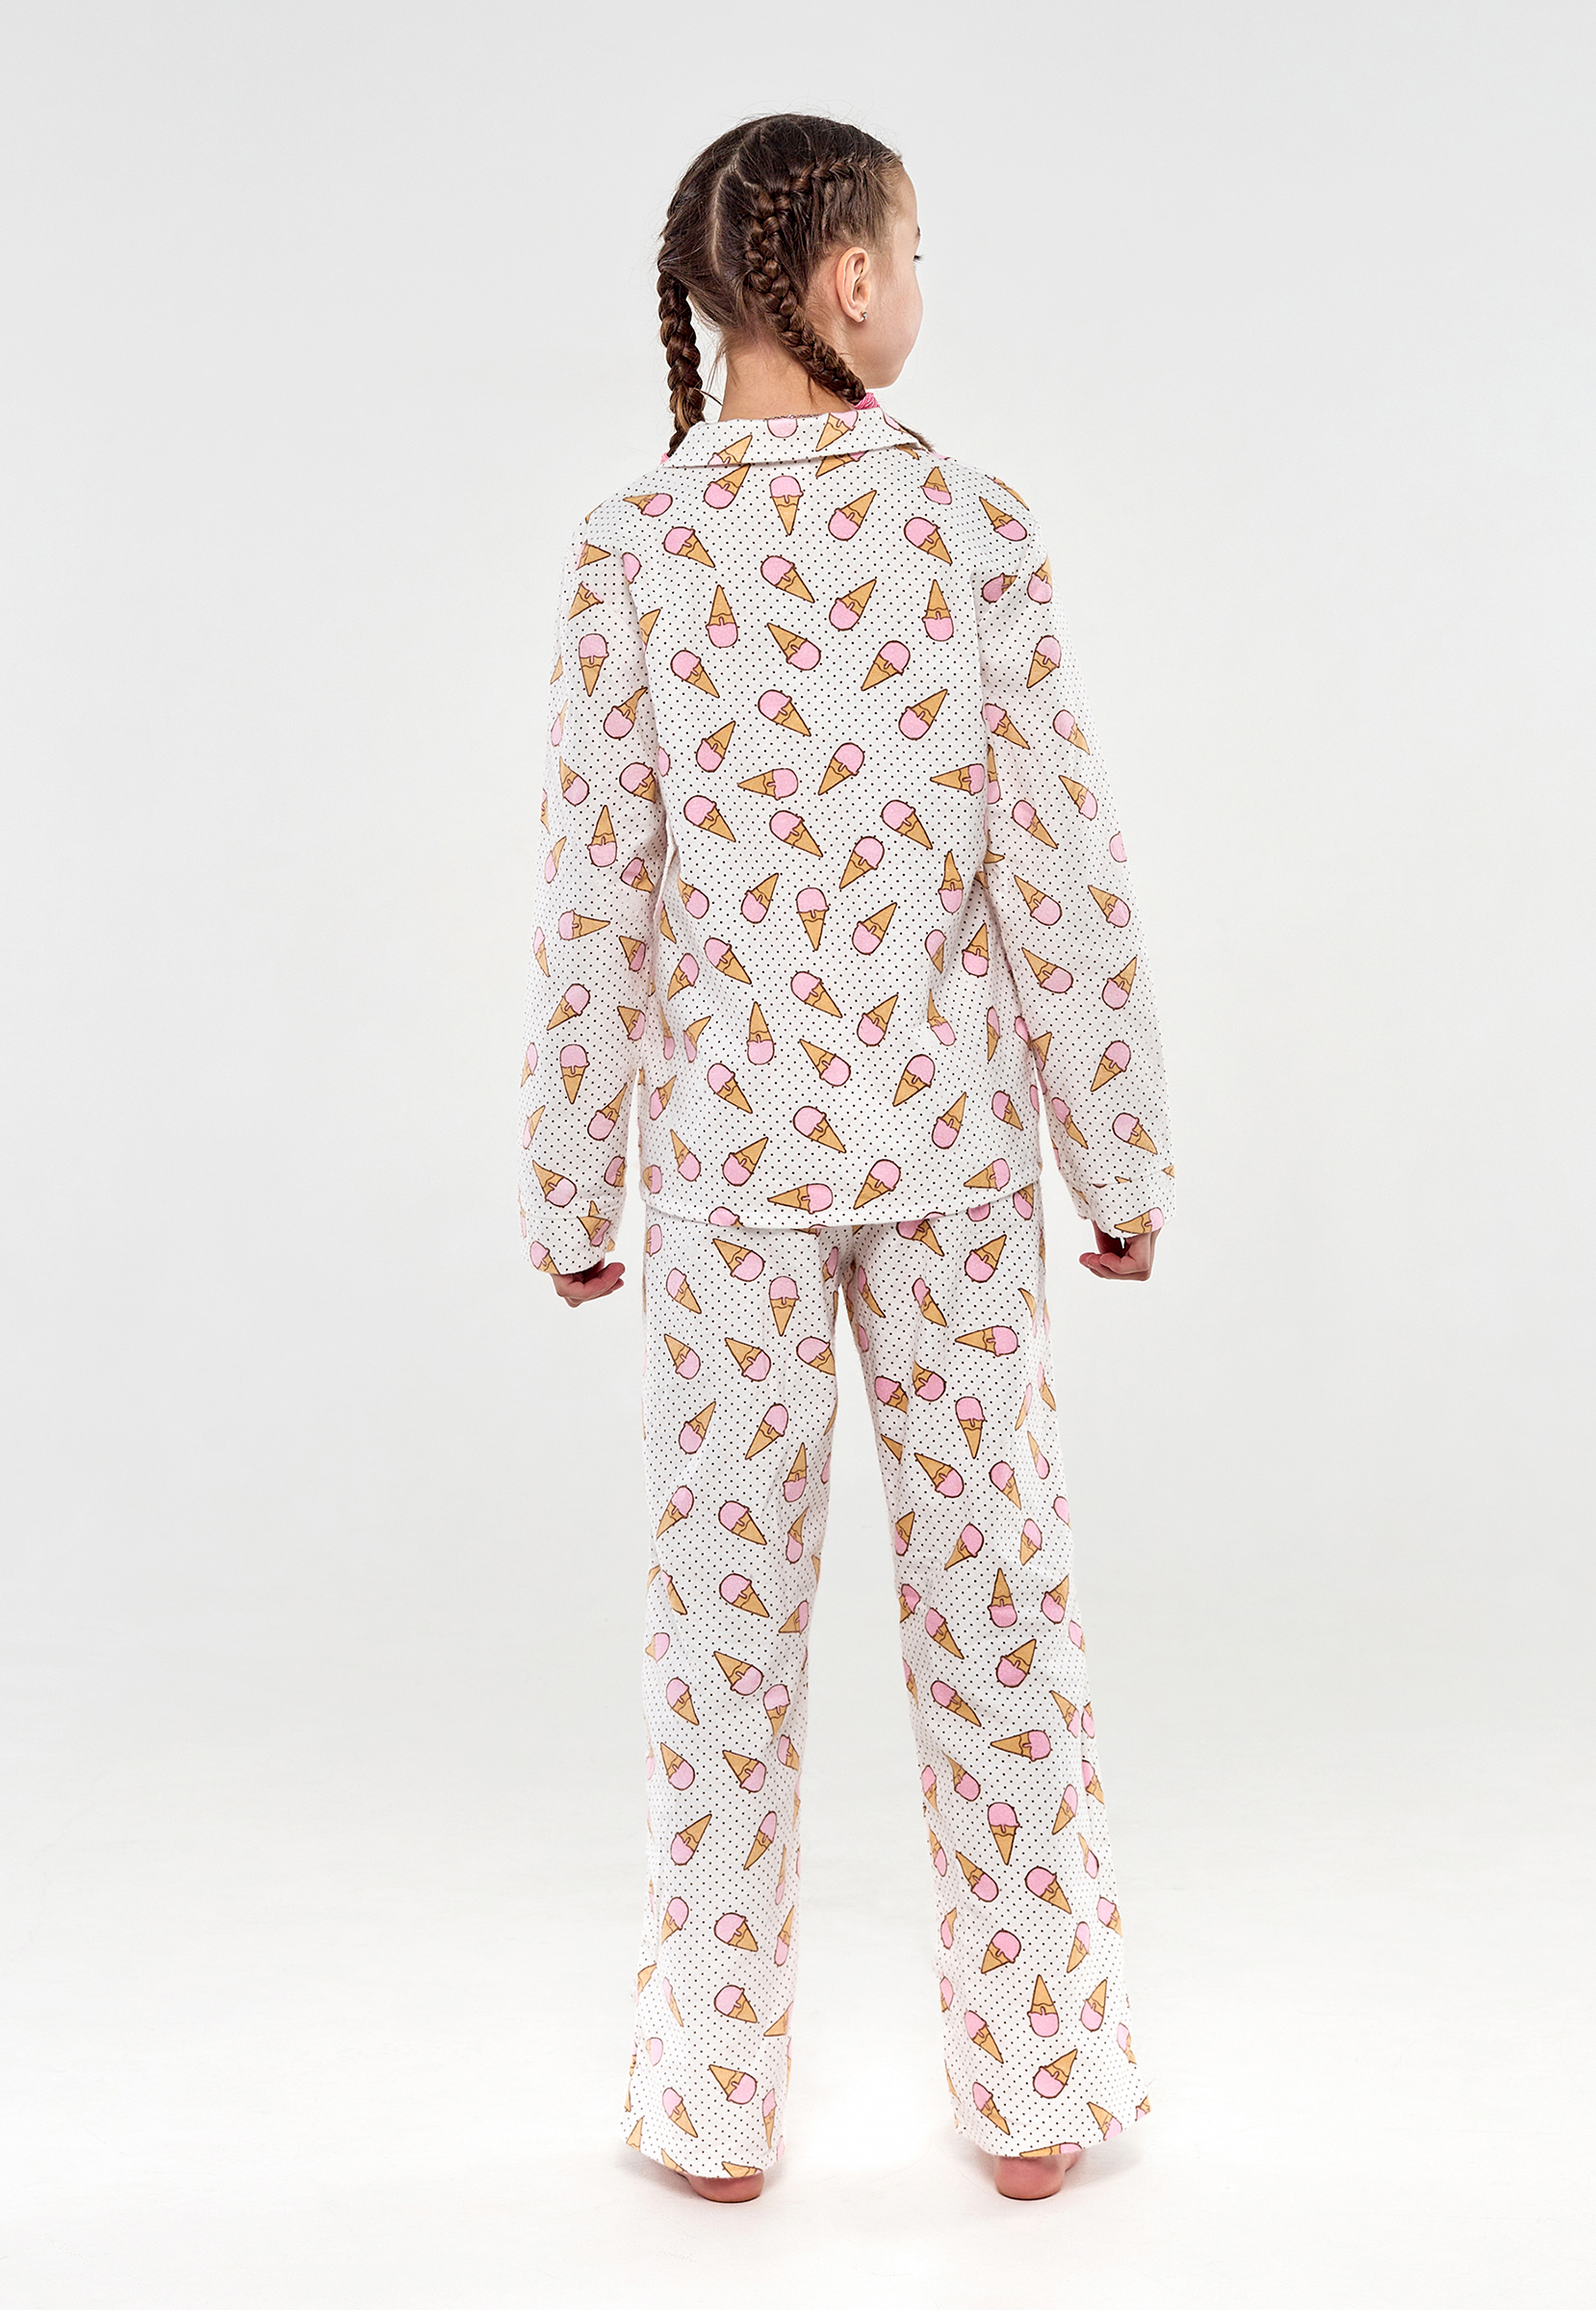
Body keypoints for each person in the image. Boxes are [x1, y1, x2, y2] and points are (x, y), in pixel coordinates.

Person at [513, 114, 1175, 2204]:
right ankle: (1040, 2092)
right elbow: (1059, 867)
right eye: (918, 249)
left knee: (720, 1648)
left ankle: (711, 2108)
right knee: (1003, 1621)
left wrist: (570, 1180)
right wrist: (1120, 1153)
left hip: (723, 1180)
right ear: (856, 281)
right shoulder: (972, 526)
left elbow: (595, 895)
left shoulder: (633, 550)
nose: (921, 283)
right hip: (959, 1168)